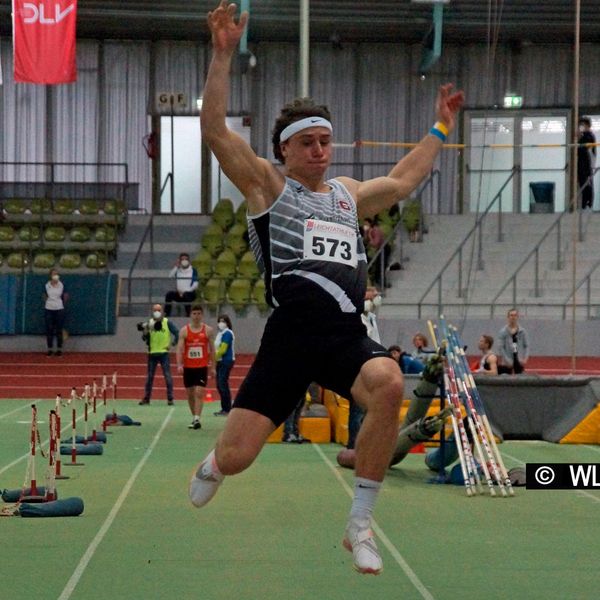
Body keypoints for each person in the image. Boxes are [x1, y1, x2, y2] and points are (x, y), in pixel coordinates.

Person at [189, 0, 464, 576]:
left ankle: (359, 525)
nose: (319, 149)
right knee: (239, 457)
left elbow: (407, 176)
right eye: (307, 141)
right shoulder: (268, 186)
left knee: (390, 382)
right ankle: (215, 462)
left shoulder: (347, 195)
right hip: (290, 338)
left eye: (325, 140)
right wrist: (221, 56)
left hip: (344, 335)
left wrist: (440, 126)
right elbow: (214, 130)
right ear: (285, 148)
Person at [176, 303, 216, 429]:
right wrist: (179, 364)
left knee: (199, 392)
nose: (197, 316)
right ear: (190, 315)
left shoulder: (208, 331)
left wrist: (213, 367)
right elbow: (179, 348)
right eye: (194, 314)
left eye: (199, 314)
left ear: (202, 315)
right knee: (190, 394)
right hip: (188, 367)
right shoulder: (184, 331)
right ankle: (194, 417)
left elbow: (212, 350)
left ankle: (197, 418)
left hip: (201, 367)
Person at [139, 303, 179, 405]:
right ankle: (146, 398)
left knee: (167, 376)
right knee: (150, 377)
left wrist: (173, 344)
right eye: (155, 310)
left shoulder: (167, 322)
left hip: (164, 353)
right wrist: (145, 333)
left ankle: (170, 398)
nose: (157, 312)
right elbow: (145, 338)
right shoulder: (150, 323)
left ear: (162, 312)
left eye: (158, 310)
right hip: (152, 353)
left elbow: (177, 333)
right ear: (152, 312)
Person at [213, 314, 235, 416]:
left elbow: (223, 349)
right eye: (220, 321)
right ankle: (224, 408)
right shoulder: (220, 334)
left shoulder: (228, 333)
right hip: (220, 361)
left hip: (226, 360)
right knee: (219, 384)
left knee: (222, 384)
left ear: (227, 323)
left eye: (223, 321)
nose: (221, 323)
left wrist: (214, 358)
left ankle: (227, 408)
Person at [164, 253, 199, 317]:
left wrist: (185, 292)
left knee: (186, 295)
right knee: (169, 294)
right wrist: (176, 266)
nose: (184, 261)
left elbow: (195, 285)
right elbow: (170, 276)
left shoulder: (193, 270)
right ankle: (166, 315)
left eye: (186, 259)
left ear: (189, 261)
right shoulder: (178, 270)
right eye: (182, 259)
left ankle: (188, 315)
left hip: (190, 293)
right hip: (179, 294)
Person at [497, 308, 529, 375]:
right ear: (508, 317)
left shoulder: (522, 331)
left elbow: (526, 346)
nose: (513, 317)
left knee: (519, 380)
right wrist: (507, 360)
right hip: (507, 362)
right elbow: (501, 347)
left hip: (519, 360)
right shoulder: (503, 332)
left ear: (517, 317)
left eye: (515, 315)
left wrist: (525, 358)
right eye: (511, 315)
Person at [44, 268, 68, 356]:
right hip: (49, 309)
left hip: (59, 309)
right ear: (50, 275)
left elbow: (65, 296)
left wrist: (60, 305)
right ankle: (50, 349)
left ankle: (59, 349)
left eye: (57, 274)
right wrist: (50, 304)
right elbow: (44, 296)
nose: (55, 276)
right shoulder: (47, 285)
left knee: (59, 329)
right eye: (54, 274)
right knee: (49, 329)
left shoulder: (62, 285)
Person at [577, 116, 596, 210]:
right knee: (582, 183)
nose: (581, 126)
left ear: (587, 125)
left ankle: (588, 204)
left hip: (587, 163)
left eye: (582, 125)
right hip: (581, 162)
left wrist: (580, 135)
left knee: (587, 183)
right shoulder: (583, 136)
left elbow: (587, 149)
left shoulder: (589, 135)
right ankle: (584, 204)